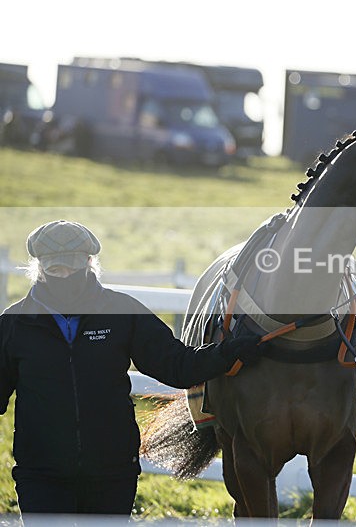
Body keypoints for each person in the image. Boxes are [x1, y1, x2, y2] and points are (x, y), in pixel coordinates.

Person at [0, 220, 263, 520]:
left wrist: (230, 352)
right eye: (55, 269)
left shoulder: (123, 313)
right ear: (39, 269)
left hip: (112, 473)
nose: (65, 276)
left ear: (89, 262)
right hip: (40, 476)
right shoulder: (14, 324)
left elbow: (178, 366)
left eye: (72, 267)